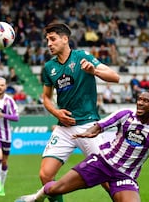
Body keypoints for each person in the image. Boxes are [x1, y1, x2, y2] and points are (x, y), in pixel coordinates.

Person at [15, 90, 149, 202]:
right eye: (139, 99)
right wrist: (89, 132)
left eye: (145, 101)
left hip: (125, 176)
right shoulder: (125, 114)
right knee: (56, 188)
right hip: (101, 163)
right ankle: (35, 198)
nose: (140, 103)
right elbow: (100, 125)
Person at [39, 23, 120, 202]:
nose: (49, 44)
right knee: (45, 175)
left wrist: (94, 70)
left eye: (53, 39)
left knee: (107, 180)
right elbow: (45, 97)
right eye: (47, 41)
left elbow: (115, 77)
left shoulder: (82, 57)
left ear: (65, 39)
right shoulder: (49, 68)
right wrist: (56, 112)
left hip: (88, 126)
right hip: (64, 127)